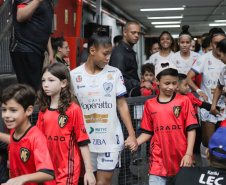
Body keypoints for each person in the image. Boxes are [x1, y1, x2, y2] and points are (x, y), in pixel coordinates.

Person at [70, 28, 137, 185]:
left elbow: (122, 105)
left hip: (110, 139)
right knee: (88, 181)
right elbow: (74, 108)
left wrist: (132, 134)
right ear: (92, 50)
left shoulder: (114, 73)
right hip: (85, 140)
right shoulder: (74, 75)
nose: (108, 58)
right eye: (105, 54)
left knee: (102, 182)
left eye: (110, 54)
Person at [127, 61, 198, 185]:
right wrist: (136, 142)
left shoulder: (184, 101)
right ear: (157, 81)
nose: (171, 87)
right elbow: (148, 131)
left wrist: (188, 154)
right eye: (167, 83)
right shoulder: (150, 104)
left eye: (174, 83)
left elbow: (191, 129)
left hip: (182, 158)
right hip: (158, 159)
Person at [37, 63, 96, 185]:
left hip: (67, 169)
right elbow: (38, 142)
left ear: (63, 83)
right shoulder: (43, 110)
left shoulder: (73, 110)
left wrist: (89, 171)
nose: (45, 84)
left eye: (51, 80)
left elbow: (83, 142)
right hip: (47, 168)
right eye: (43, 80)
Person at [0, 84, 55, 185]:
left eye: (13, 110)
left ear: (29, 110)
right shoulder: (14, 130)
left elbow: (48, 173)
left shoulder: (36, 138)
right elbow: (18, 142)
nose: (6, 115)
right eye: (4, 109)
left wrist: (21, 179)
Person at [187, 27, 226, 166]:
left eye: (222, 42)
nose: (218, 46)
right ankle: (207, 168)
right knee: (208, 141)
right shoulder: (205, 59)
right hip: (209, 106)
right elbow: (189, 78)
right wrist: (198, 91)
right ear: (210, 42)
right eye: (215, 43)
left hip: (225, 108)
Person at [10, 0, 54, 91]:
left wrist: (50, 52)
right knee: (30, 89)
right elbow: (20, 16)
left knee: (36, 88)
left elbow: (45, 28)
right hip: (25, 48)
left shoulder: (47, 3)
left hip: (37, 50)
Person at [109, 21, 150, 96]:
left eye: (138, 33)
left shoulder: (127, 51)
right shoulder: (119, 53)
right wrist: (139, 84)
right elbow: (118, 77)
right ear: (125, 33)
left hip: (130, 96)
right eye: (133, 33)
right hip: (124, 99)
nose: (136, 35)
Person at [210, 38, 226, 117]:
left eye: (220, 55)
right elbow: (219, 87)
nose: (219, 59)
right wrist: (213, 106)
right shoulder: (224, 70)